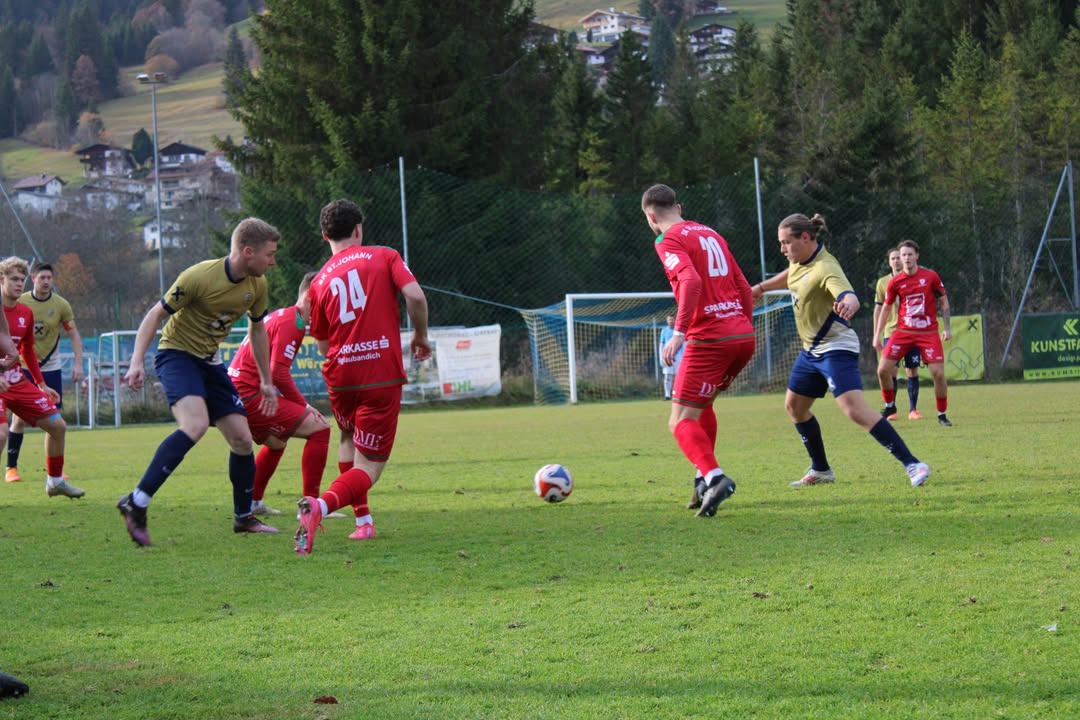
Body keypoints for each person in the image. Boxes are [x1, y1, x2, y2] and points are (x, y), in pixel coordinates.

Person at [118, 218, 281, 547]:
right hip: (176, 355)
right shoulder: (199, 277)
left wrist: (266, 380)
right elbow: (154, 315)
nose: (273, 261)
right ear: (248, 252)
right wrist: (136, 362)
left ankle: (243, 517)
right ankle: (137, 501)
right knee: (195, 424)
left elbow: (257, 329)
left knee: (242, 438)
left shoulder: (258, 285)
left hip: (210, 362)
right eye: (269, 254)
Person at [750, 214, 931, 488]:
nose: (782, 248)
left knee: (854, 410)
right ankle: (821, 470)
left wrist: (849, 304)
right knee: (795, 407)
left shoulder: (826, 267)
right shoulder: (799, 260)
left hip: (835, 347)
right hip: (811, 350)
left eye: (786, 242)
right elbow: (792, 276)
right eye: (781, 242)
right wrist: (762, 288)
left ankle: (913, 464)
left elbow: (848, 295)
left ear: (806, 238)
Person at [295, 198, 431, 555]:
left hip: (341, 376)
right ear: (358, 229)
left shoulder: (319, 281)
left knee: (348, 436)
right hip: (379, 373)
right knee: (370, 467)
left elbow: (323, 345)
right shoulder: (385, 256)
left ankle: (363, 523)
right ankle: (319, 507)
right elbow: (415, 297)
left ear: (325, 235)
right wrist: (420, 336)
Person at [641, 184, 756, 518]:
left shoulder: (667, 239)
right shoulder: (711, 233)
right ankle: (701, 481)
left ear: (651, 217)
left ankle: (715, 478)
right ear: (679, 207)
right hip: (740, 336)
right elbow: (743, 287)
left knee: (679, 421)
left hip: (709, 338)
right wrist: (741, 326)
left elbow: (691, 282)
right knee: (702, 406)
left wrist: (678, 333)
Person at [226, 272, 333, 517]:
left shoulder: (284, 317)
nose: (327, 307)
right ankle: (310, 507)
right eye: (324, 299)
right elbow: (278, 373)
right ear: (310, 297)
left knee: (276, 442)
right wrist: (305, 406)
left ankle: (252, 502)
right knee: (320, 428)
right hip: (249, 393)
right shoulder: (292, 323)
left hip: (239, 392)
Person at [0, 257, 79, 498]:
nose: (19, 284)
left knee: (57, 425)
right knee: (2, 433)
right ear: (1, 280)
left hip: (17, 381)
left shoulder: (25, 312)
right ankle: (11, 468)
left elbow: (27, 350)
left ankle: (55, 482)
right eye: (13, 279)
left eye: (21, 279)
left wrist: (41, 384)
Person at [873, 239, 953, 427]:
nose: (906, 258)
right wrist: (877, 335)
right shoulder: (895, 282)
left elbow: (944, 302)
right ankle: (890, 406)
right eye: (903, 255)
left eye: (910, 254)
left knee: (938, 374)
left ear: (917, 255)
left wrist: (947, 328)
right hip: (903, 332)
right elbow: (886, 308)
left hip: (928, 332)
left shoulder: (931, 276)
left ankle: (942, 414)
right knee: (882, 370)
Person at [872, 248, 922, 420]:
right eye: (893, 258)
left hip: (911, 331)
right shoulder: (883, 283)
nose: (896, 261)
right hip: (891, 332)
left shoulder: (914, 279)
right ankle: (891, 409)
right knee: (890, 370)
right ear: (889, 261)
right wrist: (876, 334)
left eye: (898, 257)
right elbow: (878, 309)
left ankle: (913, 410)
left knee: (912, 369)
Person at [658, 314, 684, 401]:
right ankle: (667, 395)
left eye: (672, 319)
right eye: (669, 320)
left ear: (675, 320)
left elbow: (684, 343)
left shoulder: (679, 330)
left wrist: (684, 356)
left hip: (678, 357)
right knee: (667, 376)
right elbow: (661, 344)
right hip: (667, 357)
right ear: (667, 320)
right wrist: (661, 357)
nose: (671, 321)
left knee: (679, 376)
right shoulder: (664, 331)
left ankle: (679, 394)